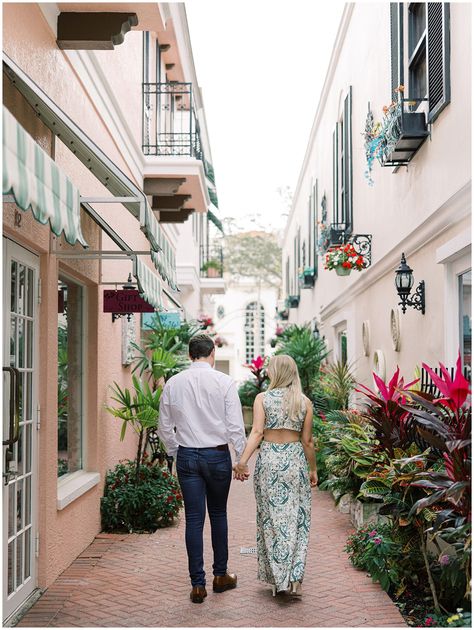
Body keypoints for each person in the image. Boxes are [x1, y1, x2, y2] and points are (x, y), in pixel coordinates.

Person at [158, 333, 247, 604]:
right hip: (217, 456)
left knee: (194, 520)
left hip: (187, 457)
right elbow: (235, 425)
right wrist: (240, 458)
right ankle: (220, 576)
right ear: (212, 354)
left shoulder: (173, 383)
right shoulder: (224, 382)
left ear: (189, 355)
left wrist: (176, 451)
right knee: (218, 514)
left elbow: (164, 427)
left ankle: (197, 585)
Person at [233, 354, 317, 597]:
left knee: (271, 520)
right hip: (294, 462)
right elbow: (308, 441)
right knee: (297, 519)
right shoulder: (304, 402)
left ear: (277, 372)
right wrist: (313, 469)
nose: (267, 372)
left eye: (270, 369)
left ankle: (278, 580)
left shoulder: (263, 399)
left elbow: (257, 432)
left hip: (269, 461)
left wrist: (242, 461)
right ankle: (294, 578)